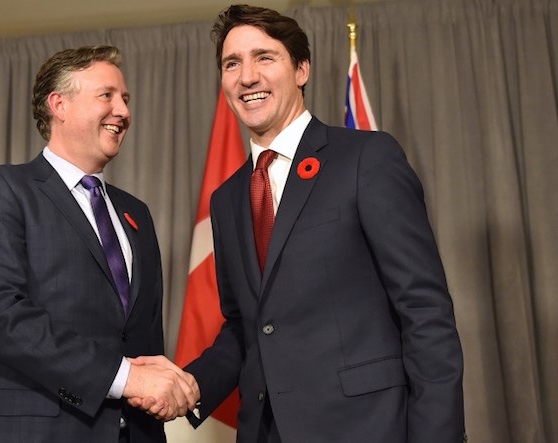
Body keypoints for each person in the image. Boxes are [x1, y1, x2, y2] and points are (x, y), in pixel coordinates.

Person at [133, 4, 465, 442]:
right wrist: (192, 386)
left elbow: (425, 311)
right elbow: (245, 327)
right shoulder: (227, 198)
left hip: (368, 428)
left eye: (264, 58)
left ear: (302, 69)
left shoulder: (366, 158)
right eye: (232, 64)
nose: (246, 76)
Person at [0, 45, 198, 443]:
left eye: (126, 99)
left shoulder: (136, 214)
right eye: (107, 96)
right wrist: (126, 378)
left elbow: (140, 337)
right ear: (58, 105)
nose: (123, 111)